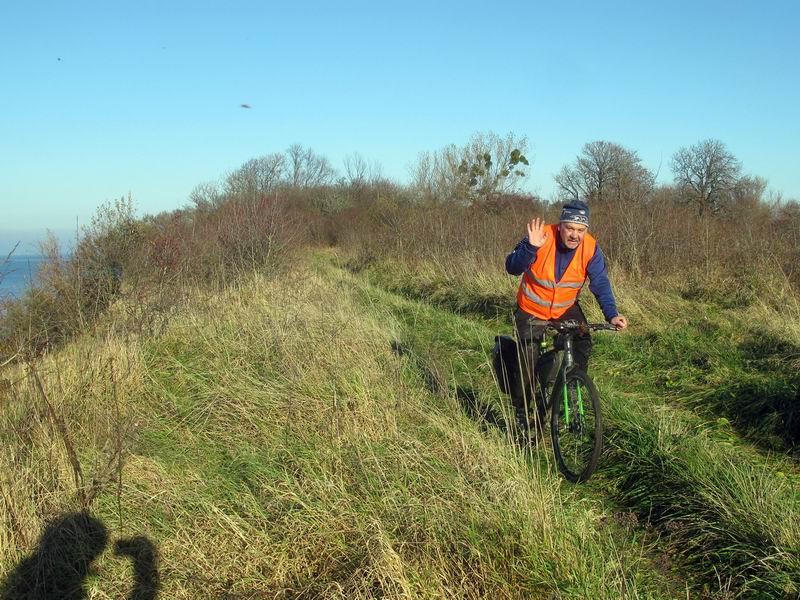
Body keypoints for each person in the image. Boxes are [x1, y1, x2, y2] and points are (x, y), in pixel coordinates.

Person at [504, 200, 628, 435]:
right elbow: (512, 267)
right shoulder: (541, 237)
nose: (575, 235)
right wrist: (530, 247)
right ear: (560, 225)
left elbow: (600, 282)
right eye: (570, 228)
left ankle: (572, 387)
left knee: (582, 340)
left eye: (581, 230)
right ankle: (521, 409)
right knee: (527, 359)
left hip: (564, 308)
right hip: (531, 308)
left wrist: (612, 315)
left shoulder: (591, 248)